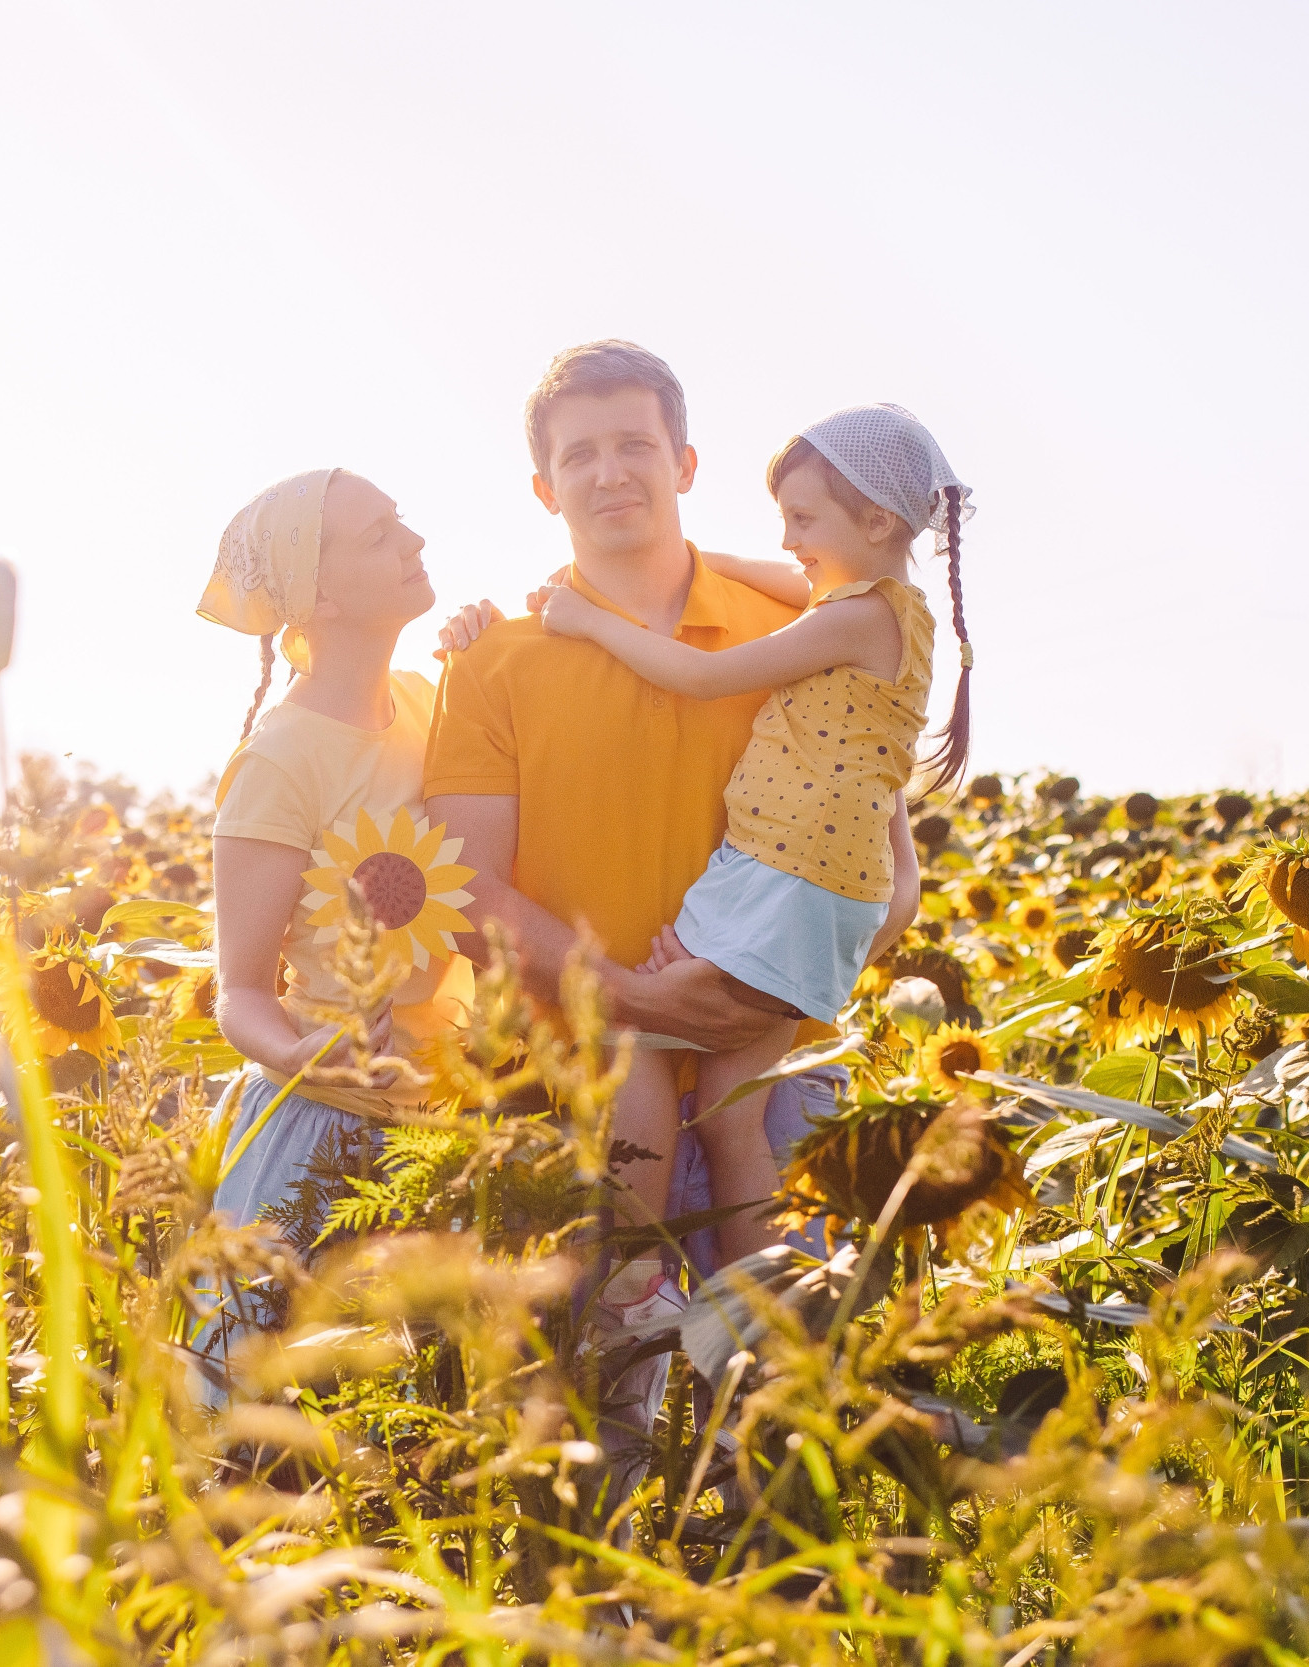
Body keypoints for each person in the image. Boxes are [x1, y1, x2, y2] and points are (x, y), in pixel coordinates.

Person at [422, 342, 920, 1507]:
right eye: (578, 454)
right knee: (600, 1428)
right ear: (542, 487)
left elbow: (876, 824)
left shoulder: (793, 614)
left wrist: (853, 939)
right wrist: (636, 996)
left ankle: (776, 1594)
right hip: (585, 1079)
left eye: (635, 444)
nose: (610, 473)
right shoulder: (497, 656)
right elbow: (464, 884)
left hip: (768, 1060)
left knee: (786, 1413)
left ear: (685, 460)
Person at [528, 402, 973, 1330]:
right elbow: (784, 573)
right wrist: (712, 565)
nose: (788, 540)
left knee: (646, 1029)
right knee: (732, 1111)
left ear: (878, 524)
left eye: (805, 520)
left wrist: (585, 618)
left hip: (784, 882)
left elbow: (699, 676)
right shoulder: (890, 603)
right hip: (826, 889)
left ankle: (635, 1279)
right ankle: (761, 1309)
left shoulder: (847, 622)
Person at [195, 467, 476, 1401]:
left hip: (446, 1128)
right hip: (317, 1137)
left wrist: (487, 652)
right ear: (318, 593)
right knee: (263, 1436)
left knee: (428, 1443)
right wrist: (307, 1055)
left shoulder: (432, 700)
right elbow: (238, 988)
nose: (415, 543)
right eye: (381, 533)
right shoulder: (280, 759)